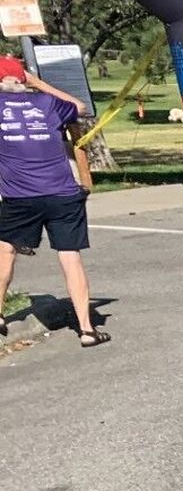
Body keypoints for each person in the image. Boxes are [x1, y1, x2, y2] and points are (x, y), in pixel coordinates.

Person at [0, 55, 109, 347]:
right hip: (62, 193)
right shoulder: (46, 104)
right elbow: (79, 107)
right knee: (69, 255)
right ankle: (86, 329)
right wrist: (37, 83)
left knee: (5, 250)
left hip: (20, 196)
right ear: (23, 80)